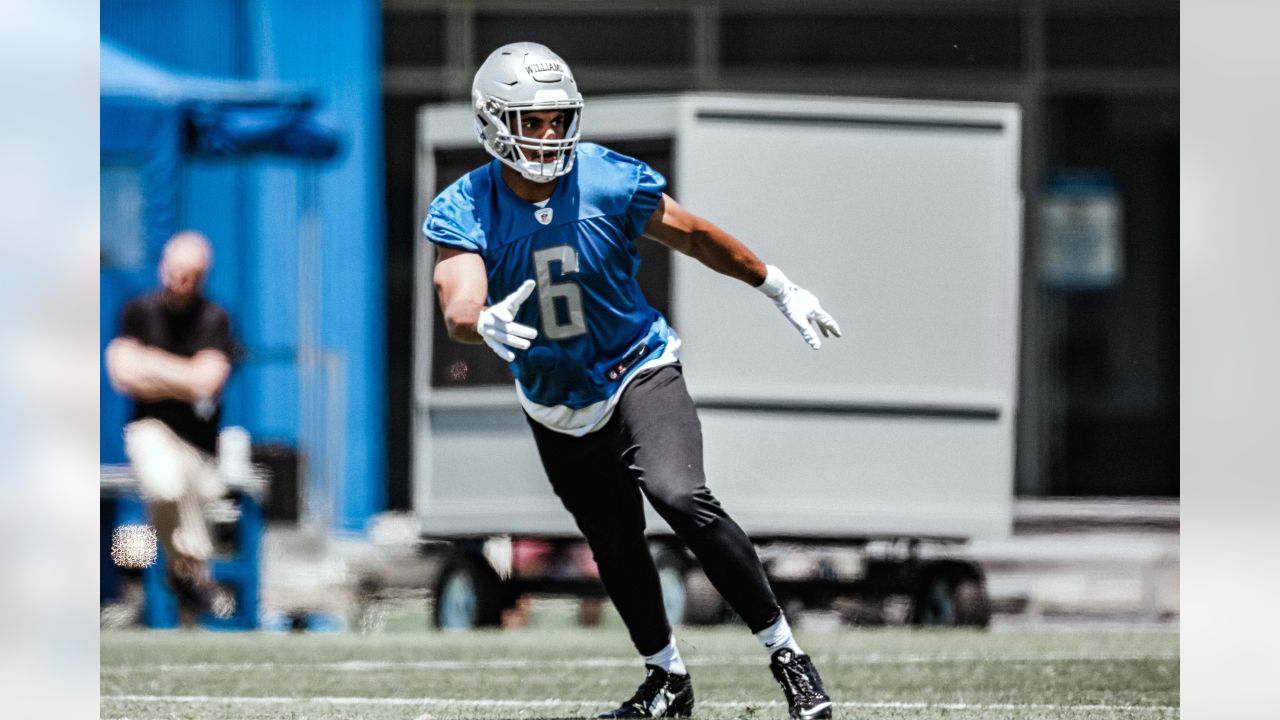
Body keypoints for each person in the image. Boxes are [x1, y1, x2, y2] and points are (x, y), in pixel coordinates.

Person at [425, 43, 839, 720]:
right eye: (534, 121)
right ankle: (667, 679)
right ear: (494, 122)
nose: (551, 134)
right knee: (613, 541)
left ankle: (788, 655)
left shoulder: (609, 179)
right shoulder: (466, 205)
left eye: (559, 118)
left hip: (637, 366)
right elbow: (457, 296)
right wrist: (479, 324)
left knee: (680, 493)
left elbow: (696, 235)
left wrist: (778, 287)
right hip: (556, 403)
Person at [105, 230, 238, 620]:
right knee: (164, 484)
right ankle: (188, 573)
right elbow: (121, 372)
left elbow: (207, 381)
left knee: (202, 499)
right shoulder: (138, 311)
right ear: (163, 267)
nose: (180, 280)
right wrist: (185, 374)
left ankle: (182, 576)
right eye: (176, 270)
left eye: (191, 274)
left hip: (200, 443)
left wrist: (151, 364)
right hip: (150, 429)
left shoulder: (214, 318)